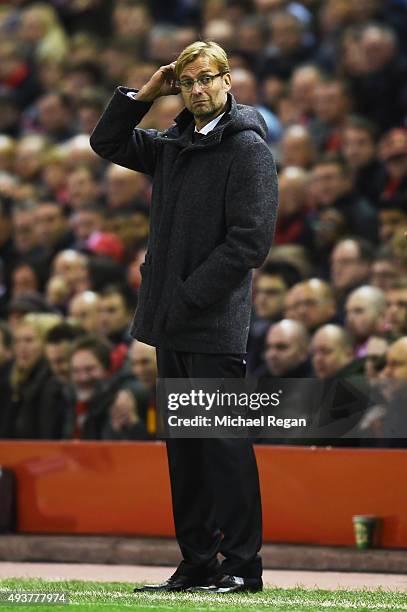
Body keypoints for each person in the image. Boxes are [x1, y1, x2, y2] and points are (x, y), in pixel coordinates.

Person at [90, 40, 278, 594]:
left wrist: (190, 296)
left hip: (210, 320)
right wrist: (144, 94)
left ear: (227, 80)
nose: (197, 90)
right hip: (171, 319)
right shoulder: (173, 144)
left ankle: (243, 566)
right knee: (186, 450)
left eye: (205, 79)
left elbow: (249, 242)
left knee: (222, 445)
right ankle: (199, 562)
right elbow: (107, 141)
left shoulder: (248, 150)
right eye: (187, 81)